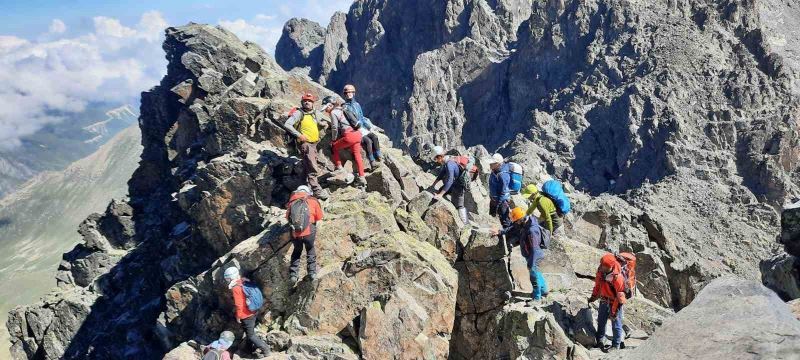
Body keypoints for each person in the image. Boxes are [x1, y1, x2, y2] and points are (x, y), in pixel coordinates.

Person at [494, 207, 548, 300]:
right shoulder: (524, 223)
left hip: (534, 255)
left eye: (517, 221)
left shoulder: (532, 230)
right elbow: (512, 228)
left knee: (533, 276)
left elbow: (534, 249)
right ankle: (544, 291)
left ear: (521, 219)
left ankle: (536, 298)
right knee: (537, 273)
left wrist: (531, 263)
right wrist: (500, 232)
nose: (516, 223)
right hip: (530, 254)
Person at [284, 92, 329, 200]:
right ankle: (317, 190)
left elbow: (319, 121)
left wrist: (323, 124)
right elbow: (287, 124)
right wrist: (299, 135)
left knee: (306, 166)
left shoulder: (314, 113)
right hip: (305, 144)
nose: (307, 103)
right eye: (305, 101)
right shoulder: (299, 113)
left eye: (309, 101)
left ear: (313, 103)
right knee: (312, 167)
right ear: (302, 103)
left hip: (314, 144)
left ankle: (301, 188)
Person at [223, 267, 272, 356]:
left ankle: (266, 350)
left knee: (251, 335)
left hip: (246, 315)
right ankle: (247, 350)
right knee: (248, 332)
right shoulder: (243, 281)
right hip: (253, 311)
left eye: (227, 278)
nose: (227, 280)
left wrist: (238, 316)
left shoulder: (236, 288)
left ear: (230, 278)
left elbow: (239, 304)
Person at [323, 95, 367, 187]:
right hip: (357, 134)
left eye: (326, 107)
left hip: (349, 136)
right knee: (357, 155)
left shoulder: (333, 112)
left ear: (330, 105)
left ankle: (339, 168)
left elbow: (334, 127)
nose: (325, 110)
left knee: (334, 147)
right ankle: (362, 177)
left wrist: (333, 140)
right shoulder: (342, 109)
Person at [588, 253, 628, 351]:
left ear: (610, 266)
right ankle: (600, 341)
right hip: (604, 299)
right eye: (601, 265)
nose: (601, 267)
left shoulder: (617, 278)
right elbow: (598, 285)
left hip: (615, 302)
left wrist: (614, 312)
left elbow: (620, 298)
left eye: (603, 266)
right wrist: (593, 297)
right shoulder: (600, 272)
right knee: (601, 321)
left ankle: (616, 345)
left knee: (616, 324)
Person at [286, 185, 324, 283]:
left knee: (297, 251)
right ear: (308, 192)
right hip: (309, 231)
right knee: (310, 249)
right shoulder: (313, 200)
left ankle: (293, 274)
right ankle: (312, 272)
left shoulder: (292, 201)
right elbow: (319, 217)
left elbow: (287, 217)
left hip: (295, 232)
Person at [342, 84, 383, 167]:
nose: (349, 94)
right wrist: (358, 128)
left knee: (374, 137)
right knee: (368, 141)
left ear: (354, 93)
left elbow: (362, 118)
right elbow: (352, 121)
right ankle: (372, 161)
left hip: (362, 128)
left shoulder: (357, 105)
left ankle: (378, 155)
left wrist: (369, 127)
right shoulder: (345, 107)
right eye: (347, 92)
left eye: (351, 92)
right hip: (355, 129)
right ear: (345, 94)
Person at [430, 146, 470, 225]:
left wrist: (441, 195)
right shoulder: (447, 160)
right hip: (455, 184)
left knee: (459, 206)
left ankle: (466, 225)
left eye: (436, 159)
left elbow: (450, 180)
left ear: (440, 157)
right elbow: (442, 174)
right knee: (441, 191)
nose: (436, 161)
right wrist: (433, 185)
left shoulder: (449, 164)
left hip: (460, 186)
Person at [488, 153, 512, 230]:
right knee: (492, 216)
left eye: (492, 163)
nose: (490, 164)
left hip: (502, 201)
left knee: (505, 219)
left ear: (498, 164)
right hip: (494, 199)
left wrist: (498, 203)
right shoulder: (495, 171)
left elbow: (503, 191)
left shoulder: (503, 175)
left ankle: (508, 236)